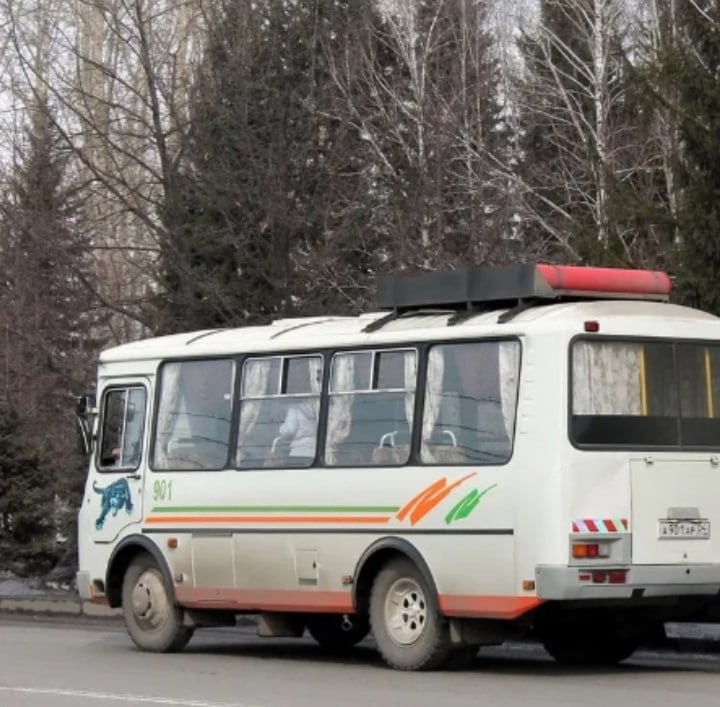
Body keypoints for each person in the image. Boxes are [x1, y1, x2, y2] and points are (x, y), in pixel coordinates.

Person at [278, 397, 318, 466]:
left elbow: (289, 430)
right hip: (314, 452)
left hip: (298, 452)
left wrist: (281, 429)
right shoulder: (317, 407)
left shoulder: (294, 408)